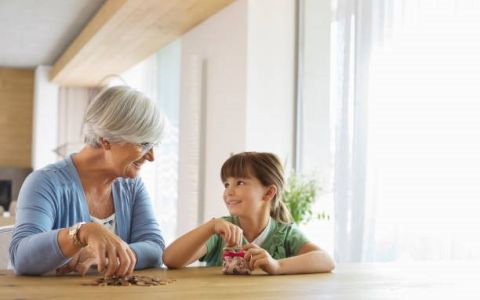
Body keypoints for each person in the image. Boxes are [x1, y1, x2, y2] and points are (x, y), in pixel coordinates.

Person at [9, 85, 165, 277]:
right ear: (106, 140)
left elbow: (155, 247)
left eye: (153, 145)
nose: (151, 156)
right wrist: (81, 233)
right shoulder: (45, 183)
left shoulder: (131, 187)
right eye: (144, 144)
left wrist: (107, 257)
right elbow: (21, 257)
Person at [163, 152, 335, 274]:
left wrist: (277, 266)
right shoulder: (220, 231)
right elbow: (170, 260)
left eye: (240, 183)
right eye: (226, 184)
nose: (228, 192)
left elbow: (326, 260)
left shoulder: (286, 235)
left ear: (268, 193)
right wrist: (210, 226)